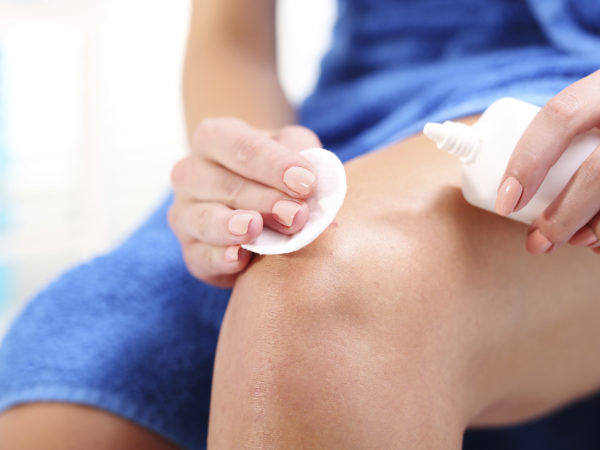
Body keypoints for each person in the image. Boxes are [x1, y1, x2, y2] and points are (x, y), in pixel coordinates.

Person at [1, 0, 600, 448]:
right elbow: (231, 39)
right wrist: (251, 163)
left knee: (332, 291)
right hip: (344, 119)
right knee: (59, 419)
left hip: (575, 101)